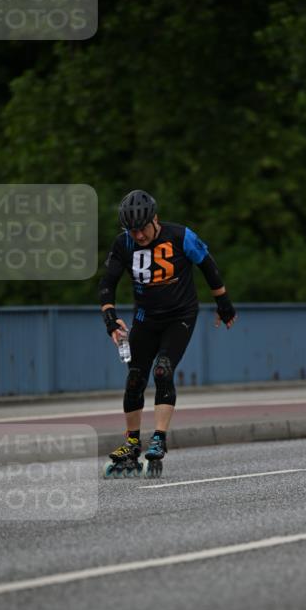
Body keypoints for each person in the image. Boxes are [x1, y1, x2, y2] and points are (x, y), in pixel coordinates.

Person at [98, 189, 236, 476]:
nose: (138, 236)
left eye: (142, 229)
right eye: (132, 231)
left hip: (180, 316)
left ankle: (159, 437)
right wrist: (110, 319)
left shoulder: (180, 236)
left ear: (155, 219)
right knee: (135, 378)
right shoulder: (123, 244)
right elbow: (108, 282)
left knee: (162, 370)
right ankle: (132, 444)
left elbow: (208, 267)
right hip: (145, 319)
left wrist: (224, 305)